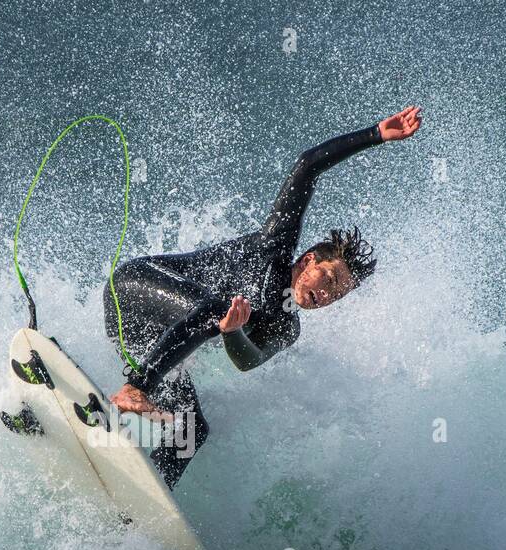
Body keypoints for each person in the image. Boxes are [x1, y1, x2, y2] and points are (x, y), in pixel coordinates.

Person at [105, 105, 423, 486]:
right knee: (218, 307)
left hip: (147, 339)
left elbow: (247, 362)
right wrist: (374, 135)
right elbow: (307, 167)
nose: (327, 294)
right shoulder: (273, 248)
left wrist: (232, 332)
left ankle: (141, 499)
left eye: (336, 295)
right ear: (308, 261)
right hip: (133, 290)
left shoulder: (287, 326)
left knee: (192, 430)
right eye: (329, 279)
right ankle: (135, 390)